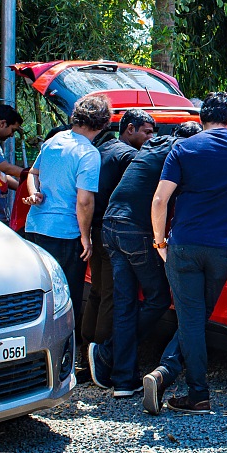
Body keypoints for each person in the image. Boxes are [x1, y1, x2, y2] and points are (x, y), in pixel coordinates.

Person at [149, 93, 227, 414]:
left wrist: (159, 241)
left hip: (184, 245)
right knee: (198, 317)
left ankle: (193, 391)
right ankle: (169, 376)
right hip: (222, 250)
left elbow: (160, 200)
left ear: (202, 118)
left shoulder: (183, 148)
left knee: (191, 318)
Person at [89, 121, 202, 400]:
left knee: (125, 302)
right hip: (136, 230)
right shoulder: (180, 151)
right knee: (158, 298)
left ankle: (124, 380)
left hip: (110, 224)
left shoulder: (155, 144)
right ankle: (108, 352)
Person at [23, 95, 110, 368]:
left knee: (40, 294)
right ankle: (62, 362)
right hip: (64, 232)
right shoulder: (88, 153)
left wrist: (34, 193)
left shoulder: (53, 141)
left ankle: (33, 355)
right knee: (66, 299)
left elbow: (31, 173)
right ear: (103, 124)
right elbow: (84, 200)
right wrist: (86, 236)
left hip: (36, 226)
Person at [81, 109, 155, 358]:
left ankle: (85, 348)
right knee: (111, 295)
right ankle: (100, 353)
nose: (150, 138)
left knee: (97, 292)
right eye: (146, 131)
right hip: (115, 232)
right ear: (130, 129)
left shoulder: (103, 149)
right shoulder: (130, 157)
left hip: (95, 228)